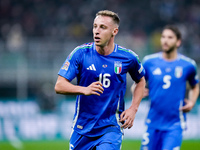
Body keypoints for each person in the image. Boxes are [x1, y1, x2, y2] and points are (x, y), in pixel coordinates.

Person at [54, 10, 146, 150]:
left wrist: (133, 108)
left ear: (114, 31)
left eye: (102, 27)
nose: (96, 31)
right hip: (82, 128)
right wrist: (84, 90)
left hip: (110, 128)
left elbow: (140, 80)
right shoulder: (80, 53)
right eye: (95, 26)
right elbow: (59, 85)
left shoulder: (128, 58)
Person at [140, 25, 199, 150]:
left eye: (170, 37)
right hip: (152, 123)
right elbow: (137, 84)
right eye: (163, 37)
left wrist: (192, 102)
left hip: (174, 124)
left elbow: (195, 86)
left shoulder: (188, 65)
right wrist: (138, 91)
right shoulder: (149, 62)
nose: (165, 40)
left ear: (178, 42)